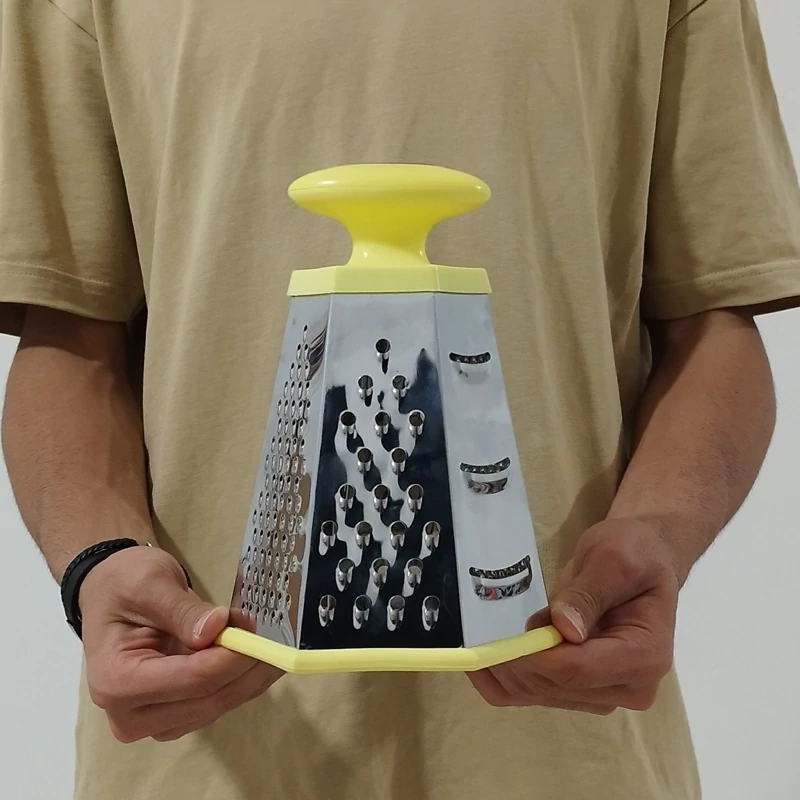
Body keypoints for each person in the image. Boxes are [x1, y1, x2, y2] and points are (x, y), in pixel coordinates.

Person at [1, 1, 799, 798]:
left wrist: (656, 535)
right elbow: (71, 333)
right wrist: (97, 560)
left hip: (565, 744)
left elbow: (712, 322)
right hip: (201, 748)